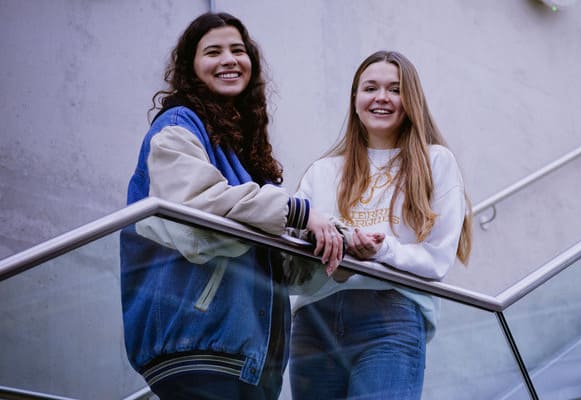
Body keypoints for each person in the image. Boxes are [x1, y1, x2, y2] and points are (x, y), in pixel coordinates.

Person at [119, 12, 343, 399]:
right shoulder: (176, 127)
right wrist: (301, 213)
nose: (228, 59)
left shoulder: (247, 159)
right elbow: (199, 213)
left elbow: (278, 269)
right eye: (213, 51)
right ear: (190, 67)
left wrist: (334, 244)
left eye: (238, 50)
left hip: (250, 359)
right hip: (198, 345)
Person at [288, 50, 472, 400]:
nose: (381, 98)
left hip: (390, 316)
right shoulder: (323, 171)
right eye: (370, 88)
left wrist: (382, 250)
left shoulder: (436, 162)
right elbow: (293, 248)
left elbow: (437, 260)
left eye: (395, 89)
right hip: (314, 322)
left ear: (411, 99)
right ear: (355, 100)